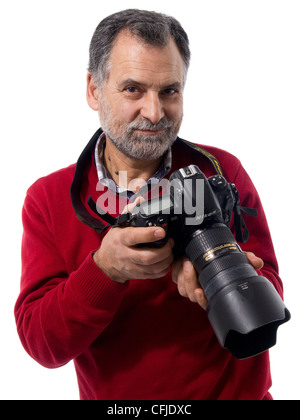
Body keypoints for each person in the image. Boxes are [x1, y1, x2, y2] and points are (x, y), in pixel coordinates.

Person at [15, 9, 284, 400]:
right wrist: (105, 270)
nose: (154, 112)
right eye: (133, 89)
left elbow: (269, 291)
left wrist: (218, 273)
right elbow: (42, 344)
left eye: (169, 91)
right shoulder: (50, 199)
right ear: (93, 89)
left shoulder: (221, 171)